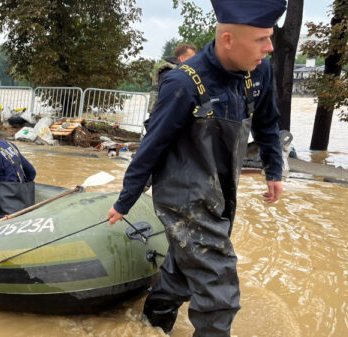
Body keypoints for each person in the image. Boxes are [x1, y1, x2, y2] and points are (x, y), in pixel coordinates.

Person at [106, 0, 286, 335]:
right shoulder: (183, 83)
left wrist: (273, 170)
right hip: (183, 196)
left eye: (269, 37)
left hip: (221, 189)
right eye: (261, 39)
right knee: (220, 290)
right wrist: (126, 199)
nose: (270, 47)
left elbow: (268, 123)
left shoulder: (258, 71)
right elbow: (152, 145)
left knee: (183, 272)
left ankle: (151, 324)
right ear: (228, 39)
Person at [148, 43, 198, 116]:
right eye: (192, 58)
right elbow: (169, 100)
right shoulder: (168, 73)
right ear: (182, 59)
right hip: (162, 117)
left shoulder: (181, 73)